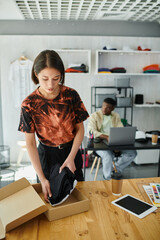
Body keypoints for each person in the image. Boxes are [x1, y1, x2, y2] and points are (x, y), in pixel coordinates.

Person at [18, 50, 89, 202]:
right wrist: (42, 179)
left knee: (77, 198)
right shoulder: (28, 104)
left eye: (56, 78)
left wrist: (71, 158)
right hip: (46, 156)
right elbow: (30, 143)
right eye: (44, 79)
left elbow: (80, 129)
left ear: (61, 75)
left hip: (72, 151)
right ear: (36, 74)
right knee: (51, 199)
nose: (50, 84)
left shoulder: (71, 95)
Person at [88, 97, 137, 180]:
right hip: (99, 143)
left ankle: (116, 169)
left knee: (132, 153)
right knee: (108, 156)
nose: (104, 108)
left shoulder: (115, 116)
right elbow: (91, 131)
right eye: (103, 106)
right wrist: (106, 137)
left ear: (112, 108)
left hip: (114, 141)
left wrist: (118, 137)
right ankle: (107, 177)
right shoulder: (94, 116)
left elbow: (120, 128)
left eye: (107, 107)